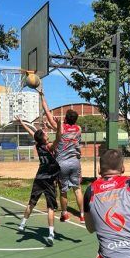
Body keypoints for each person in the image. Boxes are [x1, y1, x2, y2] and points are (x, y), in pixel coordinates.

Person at [15, 116, 61, 245]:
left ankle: (22, 224)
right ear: (44, 139)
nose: (47, 134)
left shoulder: (38, 145)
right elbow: (59, 138)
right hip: (49, 180)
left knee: (32, 202)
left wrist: (22, 122)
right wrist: (59, 125)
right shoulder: (49, 147)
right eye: (46, 134)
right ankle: (51, 234)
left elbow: (32, 133)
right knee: (50, 207)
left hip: (39, 178)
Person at [39, 90, 84, 223]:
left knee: (63, 190)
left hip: (62, 163)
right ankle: (82, 215)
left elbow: (47, 112)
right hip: (75, 162)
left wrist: (42, 96)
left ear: (65, 118)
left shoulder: (61, 129)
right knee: (77, 189)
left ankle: (65, 214)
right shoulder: (79, 129)